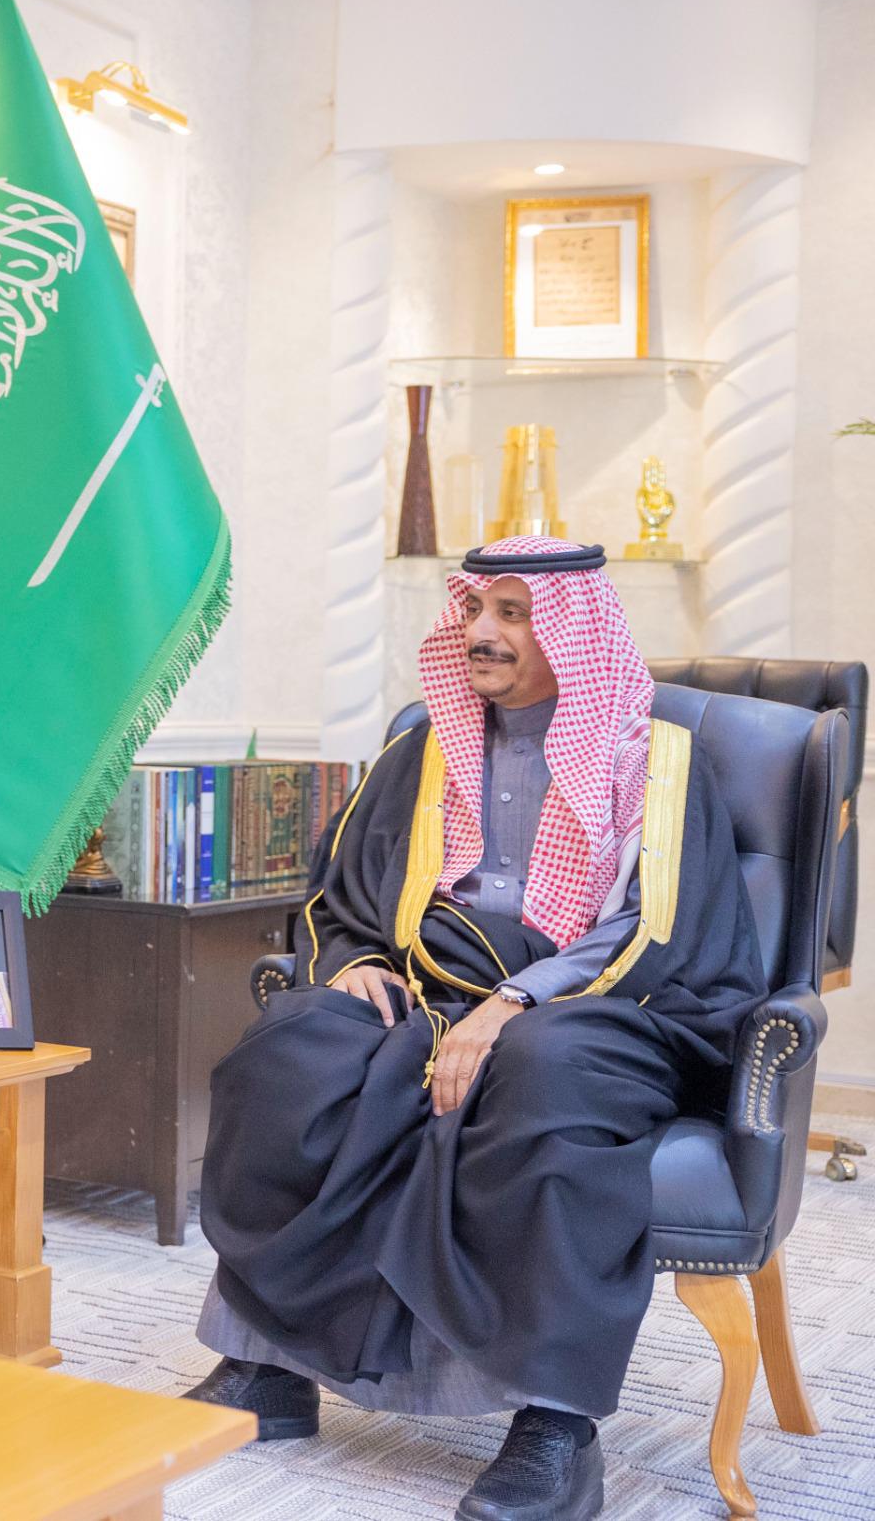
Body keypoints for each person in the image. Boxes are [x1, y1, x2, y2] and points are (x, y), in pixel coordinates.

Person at [184, 539, 763, 1521]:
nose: (481, 633)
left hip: (604, 1007)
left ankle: (554, 1424)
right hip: (431, 983)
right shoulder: (423, 750)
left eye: (513, 613)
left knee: (546, 1071)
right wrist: (353, 961)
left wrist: (513, 1003)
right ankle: (267, 1363)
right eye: (473, 611)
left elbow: (652, 927)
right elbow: (346, 891)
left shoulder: (654, 761)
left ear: (571, 632)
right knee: (293, 1047)